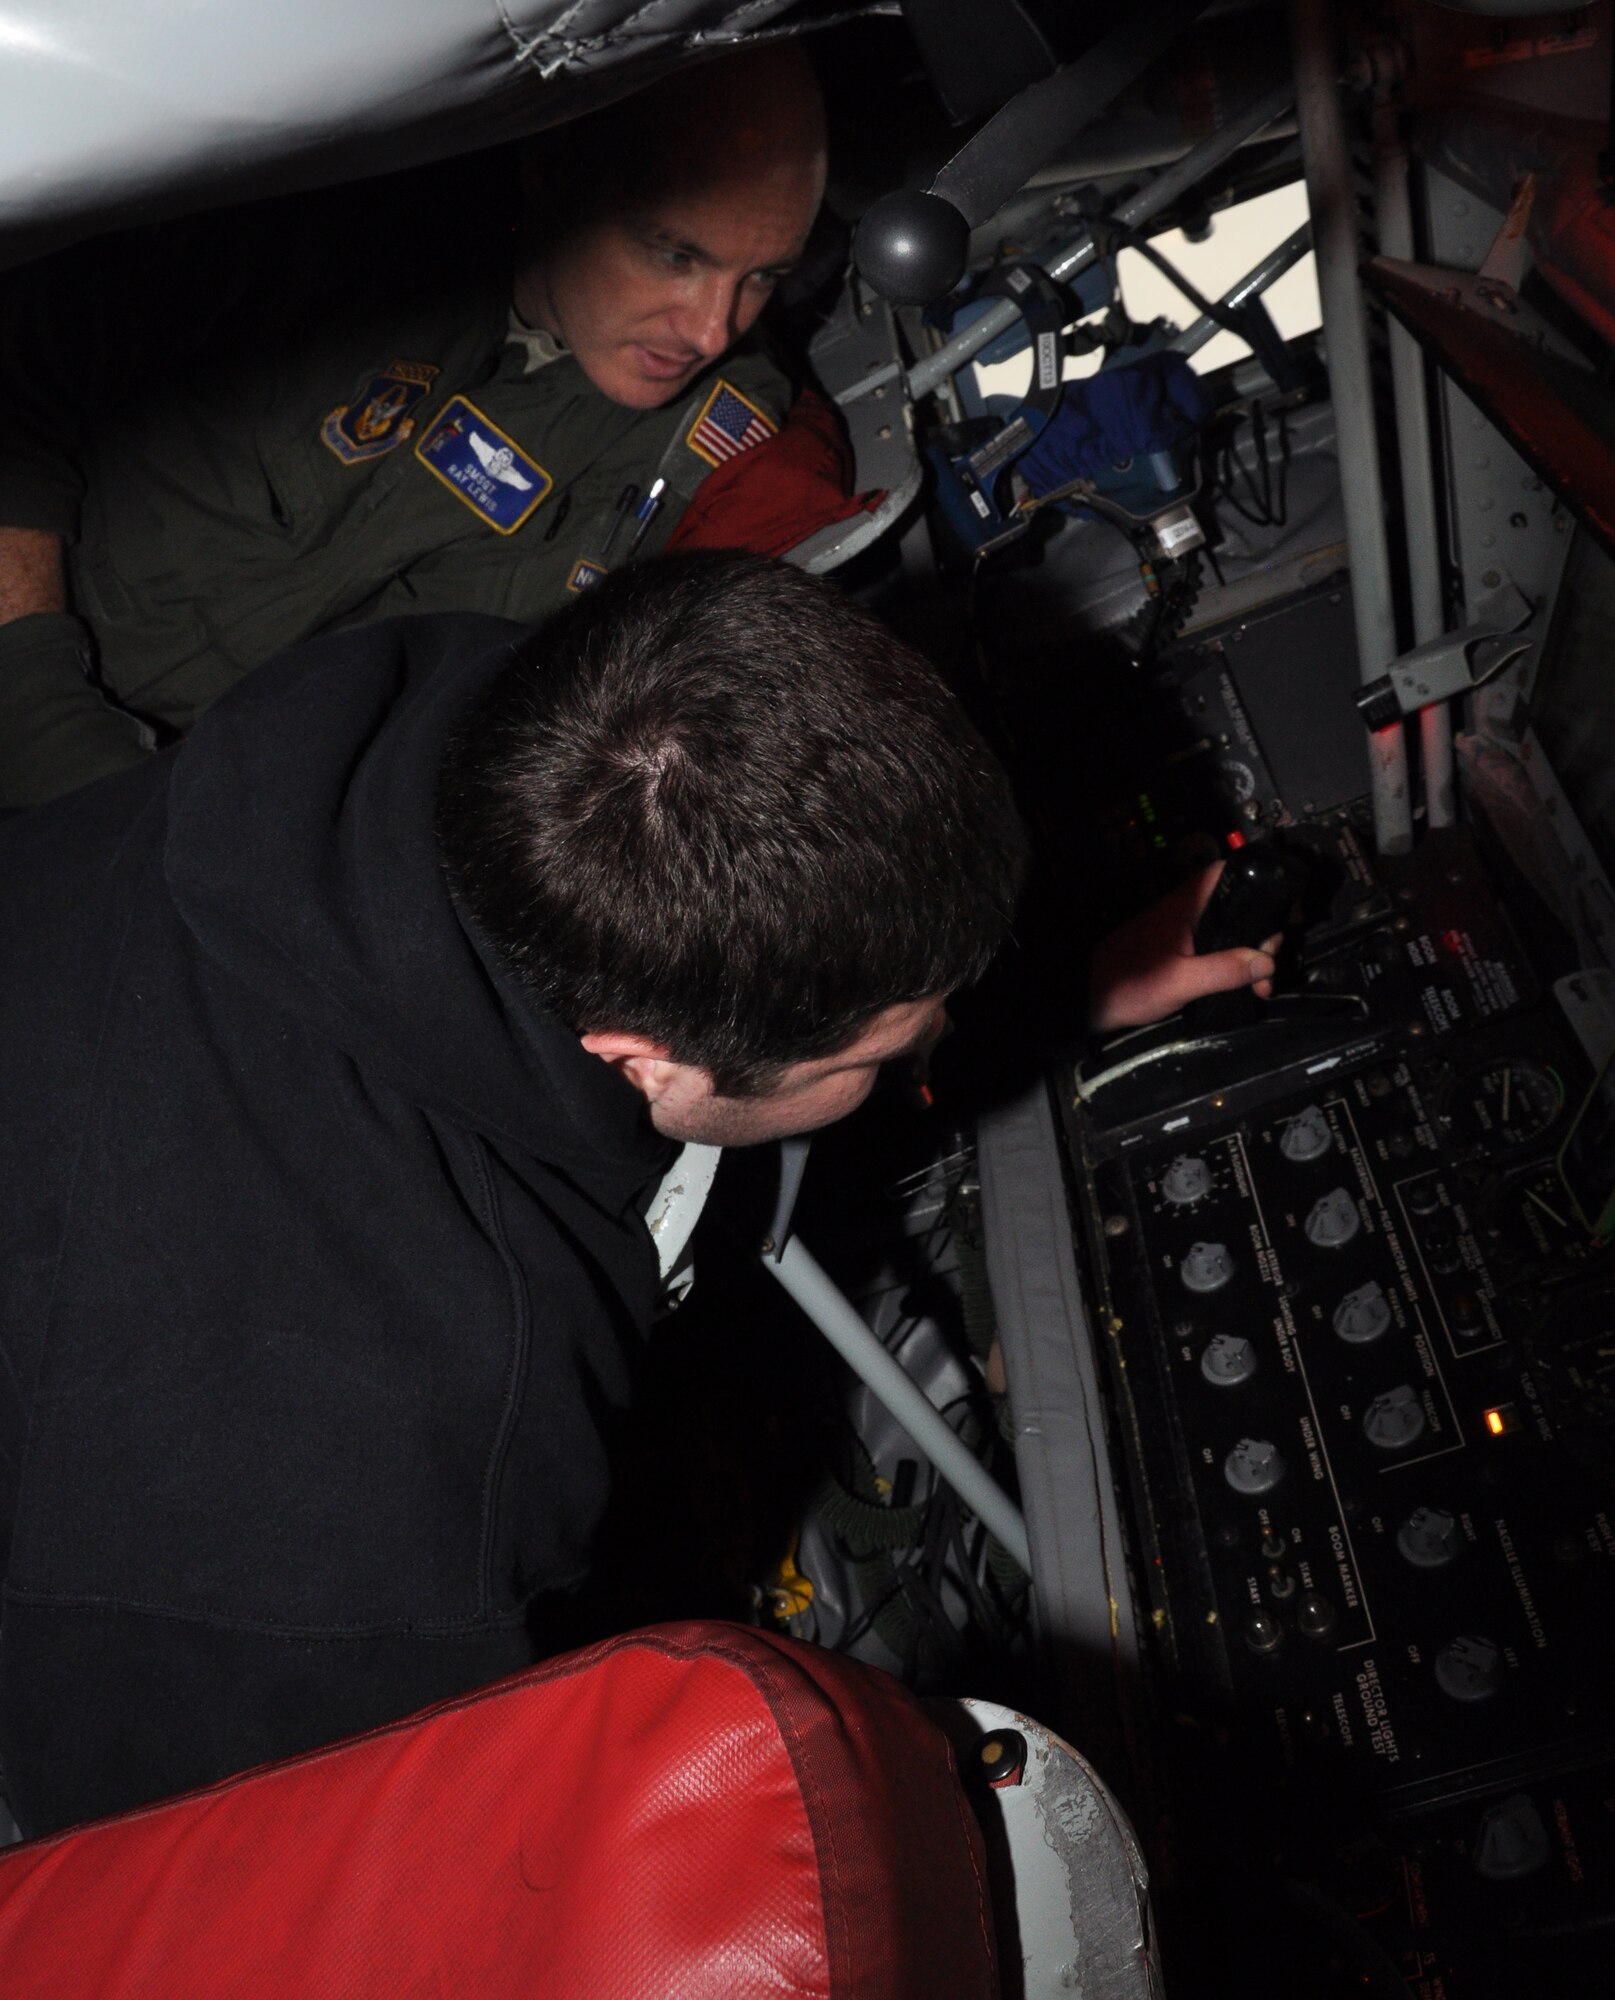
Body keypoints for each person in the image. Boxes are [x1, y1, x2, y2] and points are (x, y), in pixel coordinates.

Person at [0, 550, 1273, 1838]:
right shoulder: (389, 1513)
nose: (925, 1048)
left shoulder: (508, 733)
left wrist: (1075, 988)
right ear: (639, 1059)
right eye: (880, 1057)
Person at [0, 43, 832, 808]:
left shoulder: (709, 439)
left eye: (761, 277)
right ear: (553, 170)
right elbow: (27, 379)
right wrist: (31, 691)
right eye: (673, 256)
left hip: (190, 837)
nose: (711, 330)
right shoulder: (325, 222)